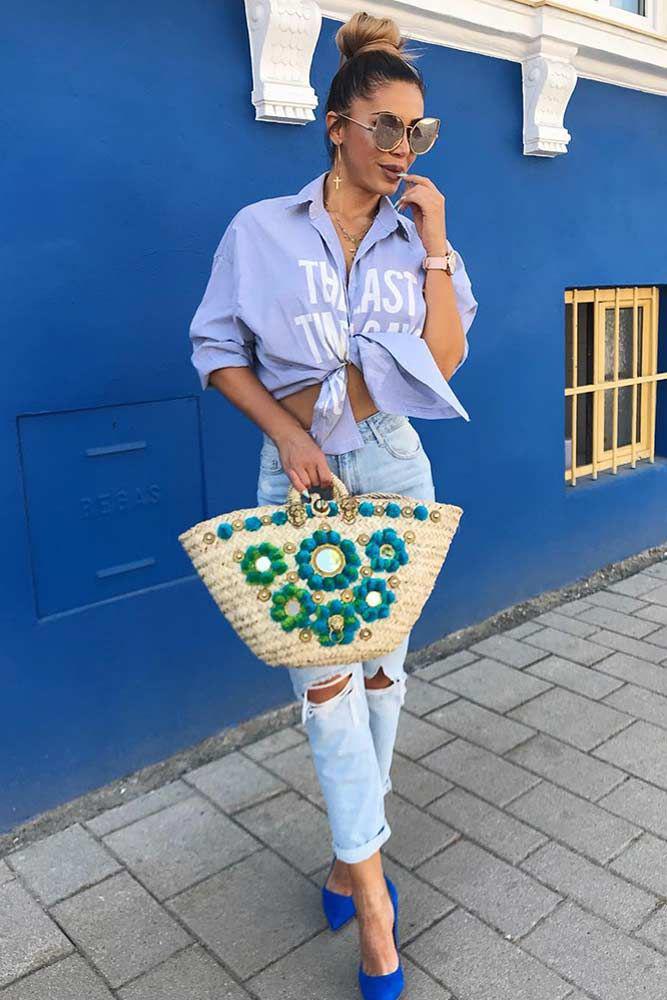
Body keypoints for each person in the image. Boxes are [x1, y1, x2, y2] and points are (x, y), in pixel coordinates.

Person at [189, 11, 478, 998]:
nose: (403, 148)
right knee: (325, 691)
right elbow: (217, 352)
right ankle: (377, 903)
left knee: (384, 677)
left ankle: (348, 860)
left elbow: (441, 357)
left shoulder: (417, 234)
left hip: (394, 471)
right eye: (386, 127)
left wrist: (434, 242)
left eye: (419, 132)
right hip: (301, 482)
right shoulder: (259, 233)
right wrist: (290, 431)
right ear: (334, 124)